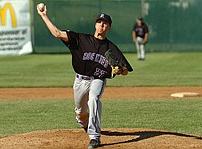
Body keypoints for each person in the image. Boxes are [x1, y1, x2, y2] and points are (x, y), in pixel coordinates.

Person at [37, 4, 133, 149]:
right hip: (80, 80)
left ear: (109, 27)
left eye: (105, 23)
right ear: (95, 25)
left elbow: (126, 70)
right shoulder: (81, 39)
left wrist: (120, 71)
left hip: (98, 79)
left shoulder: (111, 48)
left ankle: (94, 137)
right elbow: (57, 33)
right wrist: (43, 15)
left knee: (94, 99)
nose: (102, 25)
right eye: (99, 22)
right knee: (81, 113)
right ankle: (84, 122)